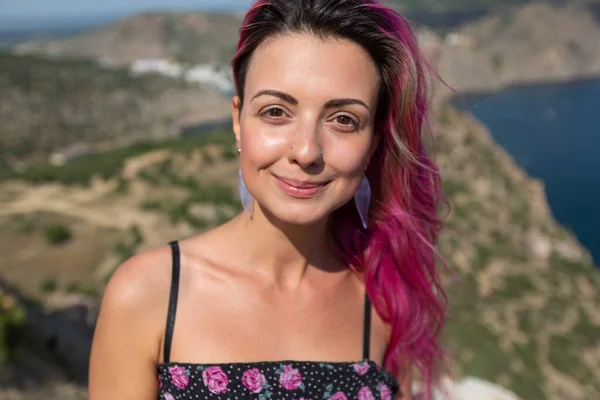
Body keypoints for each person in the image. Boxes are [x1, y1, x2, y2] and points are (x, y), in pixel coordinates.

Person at [88, 0, 448, 399]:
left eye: (344, 120)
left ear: (373, 143)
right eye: (276, 112)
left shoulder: (380, 299)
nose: (307, 151)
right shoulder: (149, 294)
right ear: (238, 121)